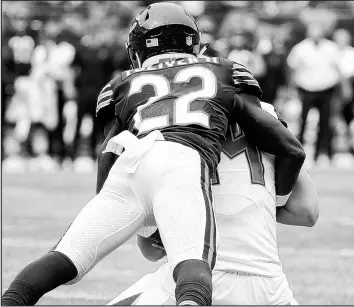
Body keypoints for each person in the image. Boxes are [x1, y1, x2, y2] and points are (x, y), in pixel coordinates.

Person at [2, 3, 305, 306]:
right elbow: (290, 149)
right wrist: (272, 201)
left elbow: (110, 151)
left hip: (132, 163)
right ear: (193, 43)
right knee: (192, 268)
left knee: (66, 257)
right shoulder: (223, 71)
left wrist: (111, 200)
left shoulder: (121, 83)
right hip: (182, 161)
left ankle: (12, 299)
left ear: (137, 49)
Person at [106, 101, 319, 306]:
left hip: (197, 282)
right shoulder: (266, 113)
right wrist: (257, 204)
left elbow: (151, 251)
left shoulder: (163, 116)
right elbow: (307, 211)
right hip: (270, 289)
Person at [286, 21, 344, 166]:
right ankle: (298, 154)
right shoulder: (301, 48)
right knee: (302, 122)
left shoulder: (332, 48)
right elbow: (292, 69)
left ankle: (323, 155)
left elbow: (339, 69)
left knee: (326, 123)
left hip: (327, 90)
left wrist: (343, 88)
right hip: (306, 90)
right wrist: (290, 89)